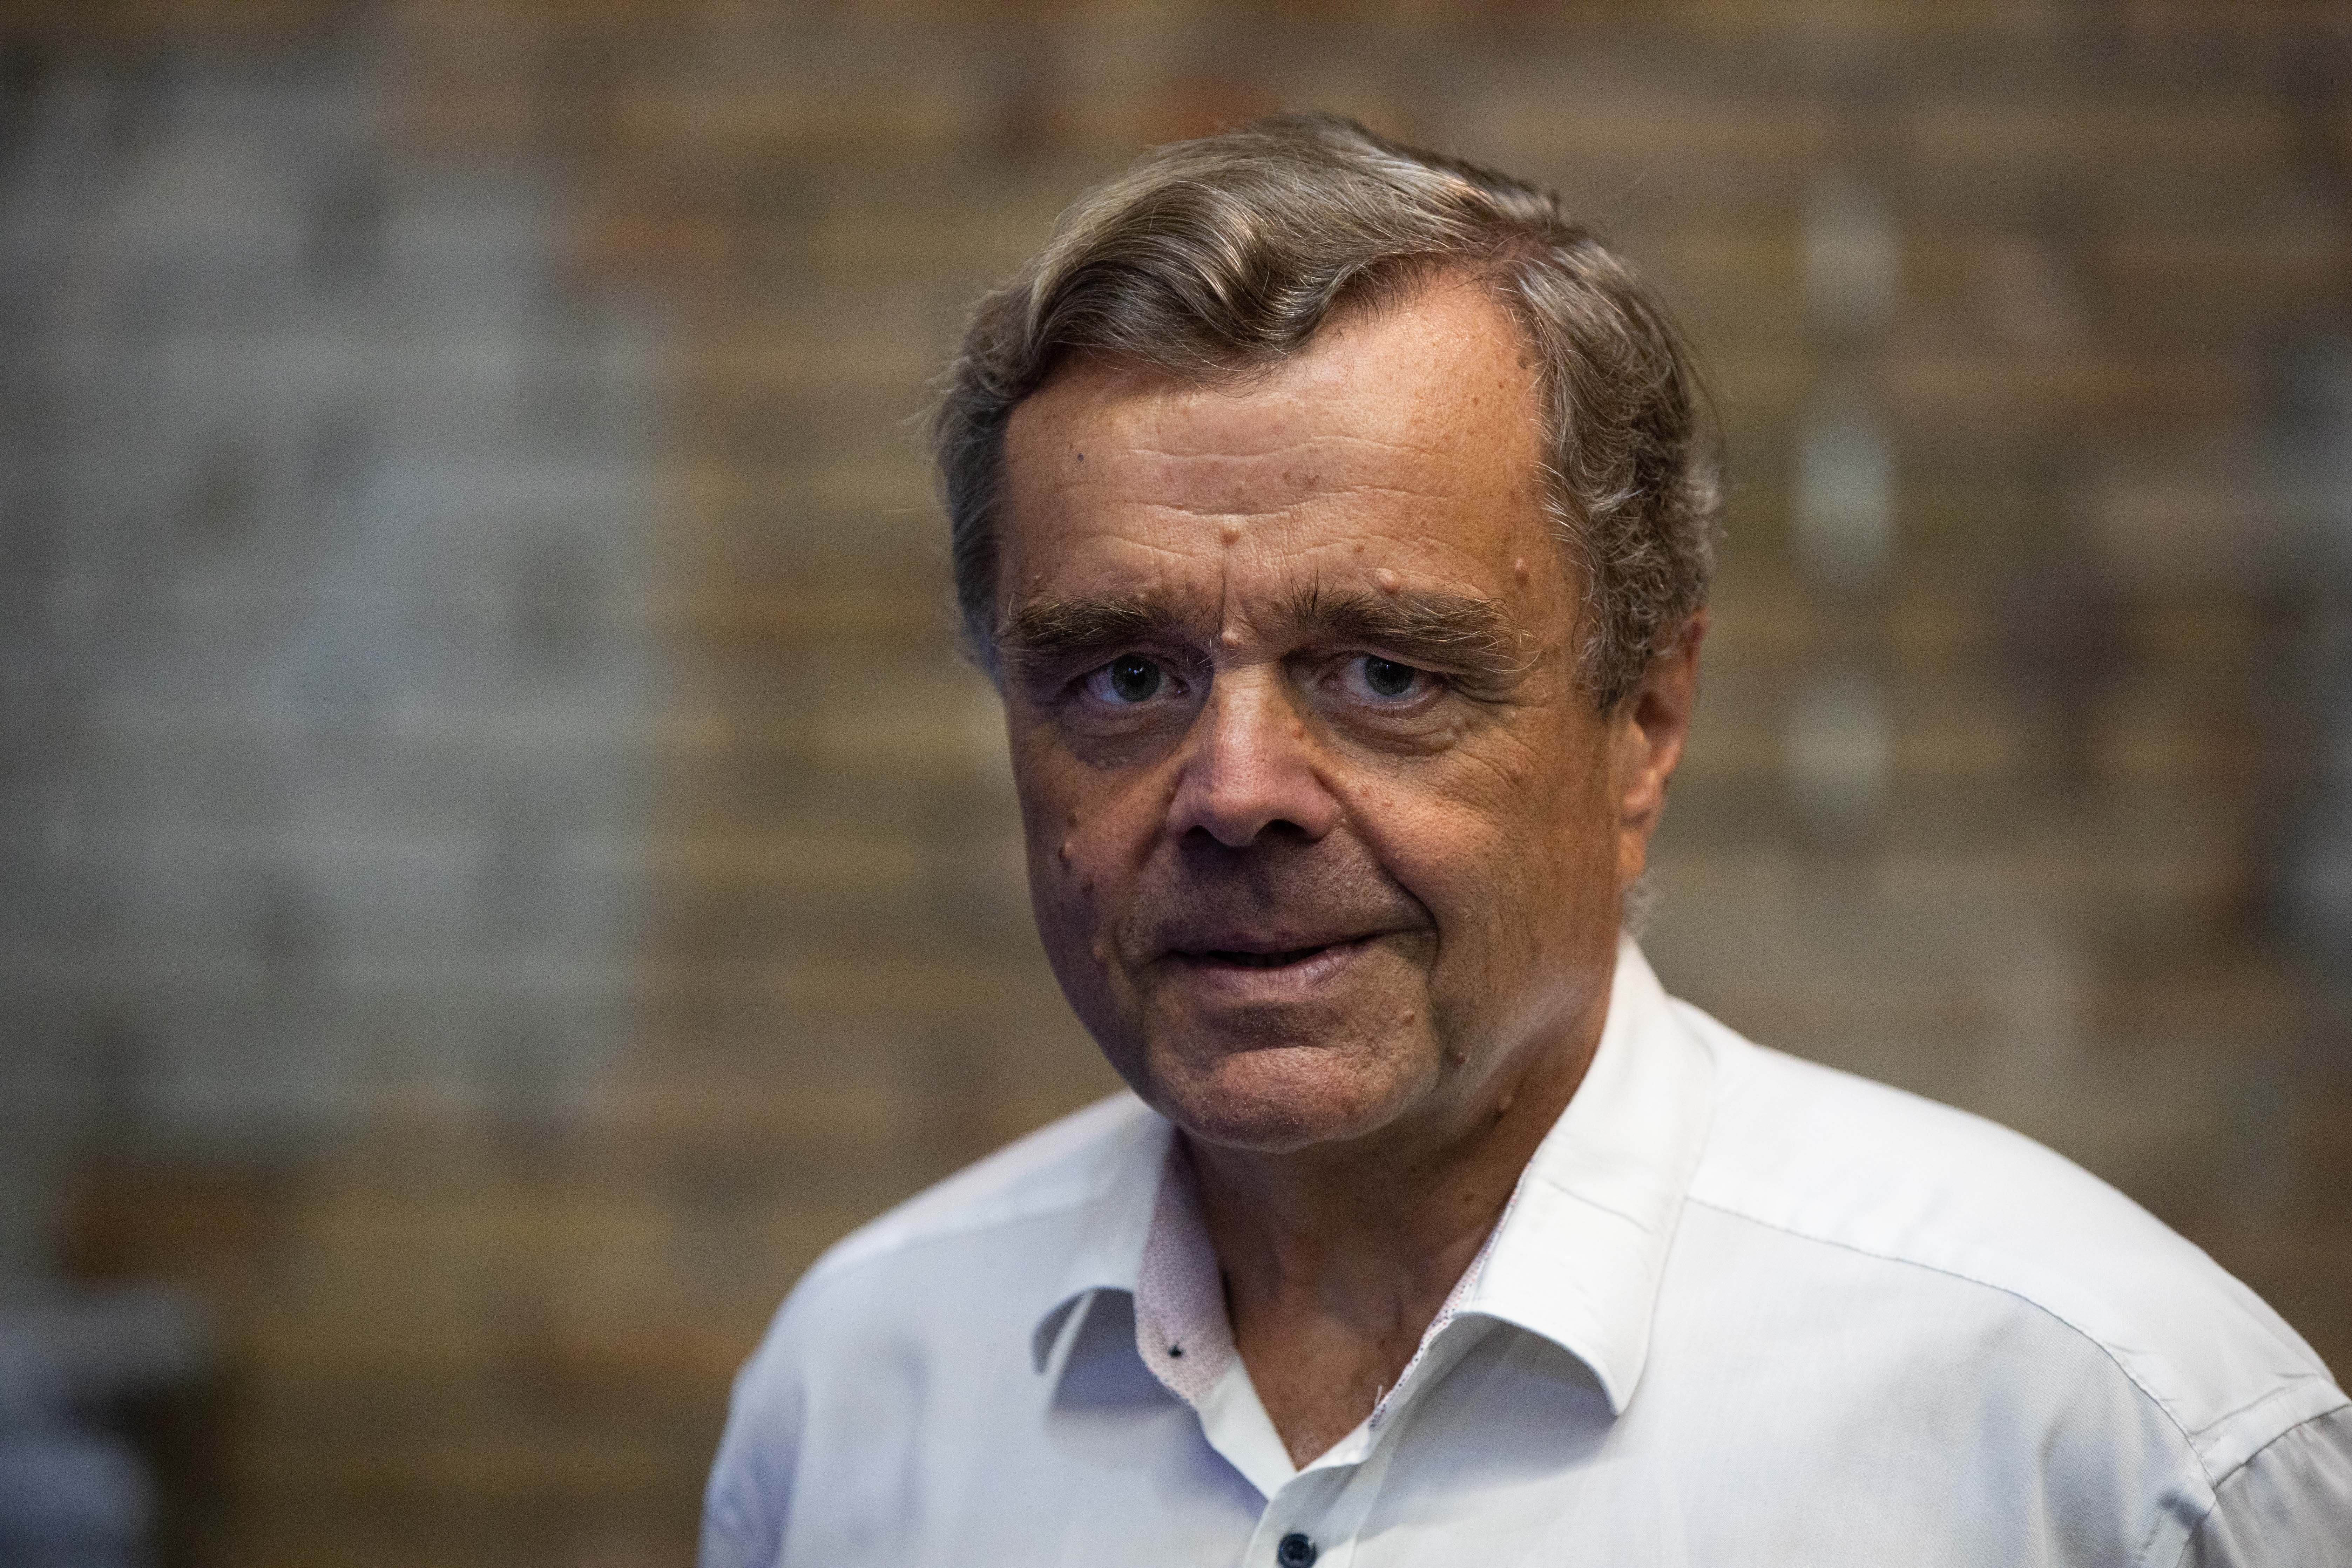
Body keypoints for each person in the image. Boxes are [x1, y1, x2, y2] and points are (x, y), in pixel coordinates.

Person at [701, 114, 2351, 1566]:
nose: (1235, 791)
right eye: (1125, 677)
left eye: (1383, 673)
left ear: (1646, 718)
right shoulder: (862, 1392)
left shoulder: (2093, 1432)